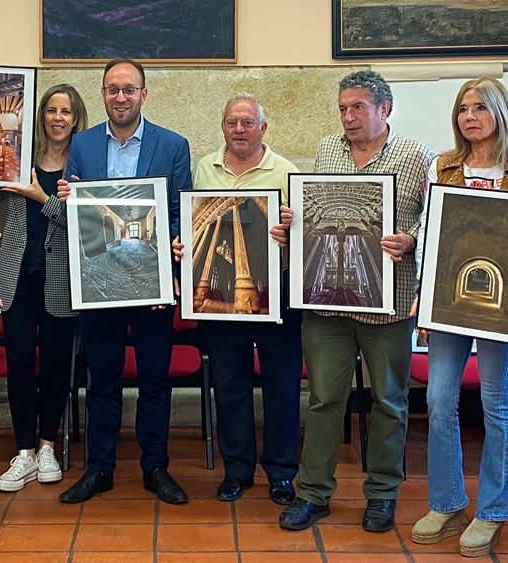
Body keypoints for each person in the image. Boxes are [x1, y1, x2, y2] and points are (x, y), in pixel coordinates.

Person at [275, 70, 434, 533]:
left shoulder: (418, 157)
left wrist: (412, 240)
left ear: (385, 109)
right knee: (324, 399)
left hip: (388, 301)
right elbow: (316, 212)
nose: (348, 116)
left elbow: (438, 218)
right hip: (326, 301)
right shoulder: (327, 151)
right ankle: (313, 494)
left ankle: (382, 495)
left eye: (358, 107)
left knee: (389, 401)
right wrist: (292, 225)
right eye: (343, 108)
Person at [409, 77, 508, 557]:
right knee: (439, 398)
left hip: (503, 305)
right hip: (448, 299)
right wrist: (423, 297)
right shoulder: (442, 166)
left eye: (479, 107)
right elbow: (432, 234)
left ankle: (492, 511)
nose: (469, 116)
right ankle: (447, 501)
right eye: (462, 108)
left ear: (500, 113)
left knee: (497, 404)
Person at [57, 58, 193, 505]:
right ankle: (99, 469)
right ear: (102, 94)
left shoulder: (173, 145)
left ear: (144, 94)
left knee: (155, 380)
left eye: (129, 90)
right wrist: (66, 197)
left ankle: (155, 468)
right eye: (113, 89)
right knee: (102, 381)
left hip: (153, 287)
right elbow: (80, 220)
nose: (121, 97)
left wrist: (169, 272)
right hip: (99, 284)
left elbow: (178, 215)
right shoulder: (82, 144)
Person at [190, 93, 302, 504]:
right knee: (230, 384)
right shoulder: (203, 167)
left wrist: (291, 229)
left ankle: (281, 473)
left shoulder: (286, 172)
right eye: (232, 122)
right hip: (219, 297)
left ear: (263, 128)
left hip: (277, 293)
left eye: (247, 122)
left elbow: (304, 239)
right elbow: (194, 225)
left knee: (282, 383)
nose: (239, 130)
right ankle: (236, 470)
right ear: (223, 127)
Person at [0, 84, 88, 492]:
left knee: (54, 367)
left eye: (66, 111)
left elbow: (85, 227)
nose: (58, 118)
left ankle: (49, 444)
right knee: (17, 365)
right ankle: (24, 451)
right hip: (15, 278)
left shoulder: (84, 168)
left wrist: (43, 198)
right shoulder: (16, 161)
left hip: (62, 281)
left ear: (76, 118)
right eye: (51, 110)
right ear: (41, 116)